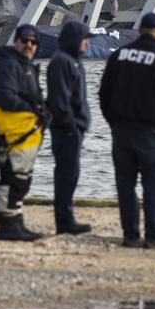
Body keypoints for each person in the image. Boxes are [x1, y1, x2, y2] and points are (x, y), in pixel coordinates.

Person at [98, 11, 155, 248]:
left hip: (122, 131)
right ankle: (154, 236)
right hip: (154, 132)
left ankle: (130, 235)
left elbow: (104, 94)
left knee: (126, 184)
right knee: (154, 184)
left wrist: (113, 123)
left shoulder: (119, 55)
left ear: (138, 31)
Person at [0, 24, 49, 242]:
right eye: (25, 40)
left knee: (21, 178)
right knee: (13, 179)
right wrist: (34, 110)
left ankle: (16, 221)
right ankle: (8, 225)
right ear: (16, 42)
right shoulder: (10, 65)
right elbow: (5, 98)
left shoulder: (25, 66)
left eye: (33, 42)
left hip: (24, 133)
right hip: (12, 134)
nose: (29, 45)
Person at [46, 19, 94, 235]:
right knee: (66, 174)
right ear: (76, 40)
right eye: (85, 40)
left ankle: (67, 216)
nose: (87, 44)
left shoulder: (72, 60)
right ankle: (64, 220)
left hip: (73, 128)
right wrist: (70, 126)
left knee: (71, 174)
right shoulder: (62, 62)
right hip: (67, 130)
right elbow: (59, 100)